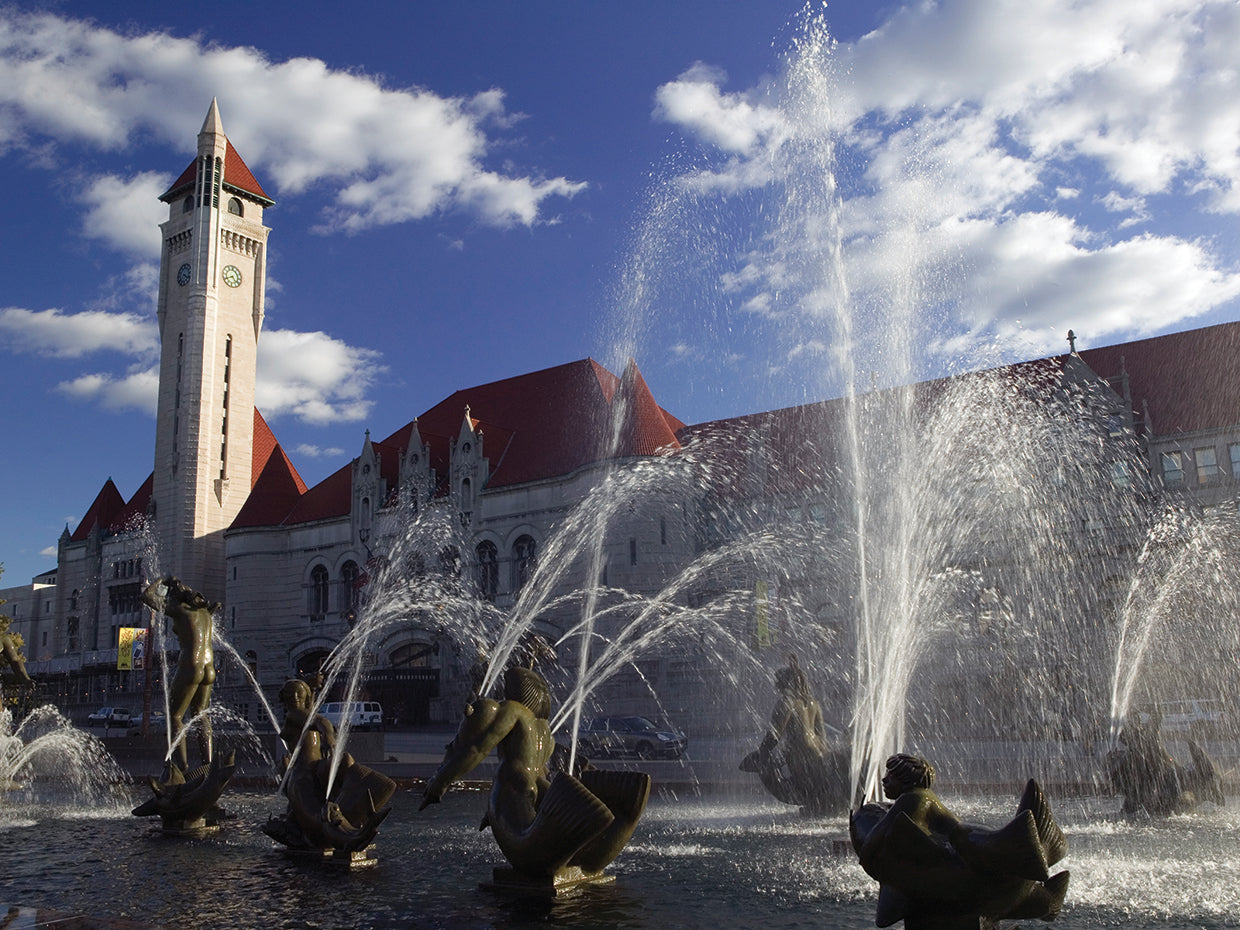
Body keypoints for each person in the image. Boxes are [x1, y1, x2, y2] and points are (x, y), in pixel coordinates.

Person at [422, 666, 650, 877]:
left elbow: (478, 748)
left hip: (514, 786)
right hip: (534, 787)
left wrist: (440, 783)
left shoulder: (513, 710)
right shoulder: (545, 731)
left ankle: (582, 827)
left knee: (529, 852)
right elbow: (538, 774)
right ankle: (621, 816)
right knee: (580, 860)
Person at [142, 576, 219, 770]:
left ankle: (182, 767)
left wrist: (163, 579)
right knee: (201, 714)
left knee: (175, 716)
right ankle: (207, 764)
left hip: (190, 664)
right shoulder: (204, 613)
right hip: (209, 667)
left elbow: (147, 597)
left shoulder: (179, 609)